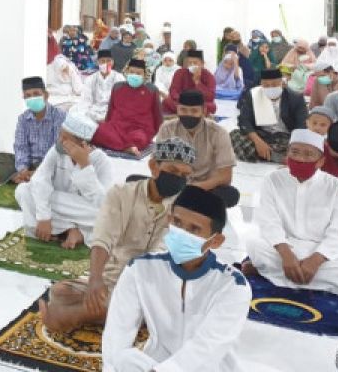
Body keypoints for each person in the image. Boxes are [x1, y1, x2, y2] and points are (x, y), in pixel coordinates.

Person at [38, 137, 196, 333]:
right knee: (60, 291)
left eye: (185, 175)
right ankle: (114, 312)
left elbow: (162, 257)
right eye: (173, 172)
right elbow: (103, 238)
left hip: (154, 285)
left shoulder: (186, 209)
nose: (178, 179)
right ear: (154, 166)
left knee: (149, 306)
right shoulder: (122, 194)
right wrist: (95, 279)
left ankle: (72, 316)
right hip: (114, 277)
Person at [102, 186, 250, 372]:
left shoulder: (232, 285)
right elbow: (118, 331)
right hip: (154, 364)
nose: (182, 232)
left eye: (194, 229)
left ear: (215, 241)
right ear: (169, 220)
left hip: (208, 368)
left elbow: (206, 348)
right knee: (125, 360)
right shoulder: (140, 269)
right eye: (178, 223)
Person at [246, 129, 338, 299]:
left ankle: (267, 270)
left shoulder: (337, 187)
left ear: (321, 161)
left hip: (320, 251)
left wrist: (315, 261)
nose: (300, 158)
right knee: (254, 244)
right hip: (284, 247)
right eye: (295, 152)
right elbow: (269, 222)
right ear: (287, 155)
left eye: (308, 154)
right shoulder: (273, 179)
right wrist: (286, 256)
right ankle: (295, 275)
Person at [15, 111, 113, 249]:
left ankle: (71, 232)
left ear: (83, 144)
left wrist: (85, 165)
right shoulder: (56, 151)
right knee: (23, 190)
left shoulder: (101, 161)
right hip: (59, 204)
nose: (60, 140)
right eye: (60, 134)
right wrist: (44, 217)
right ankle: (70, 230)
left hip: (83, 209)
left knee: (108, 216)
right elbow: (40, 180)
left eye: (65, 138)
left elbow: (102, 202)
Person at [155, 91, 238, 206]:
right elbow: (157, 166)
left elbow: (225, 177)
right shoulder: (167, 129)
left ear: (203, 111)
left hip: (206, 187)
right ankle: (193, 204)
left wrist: (193, 188)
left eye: (194, 111)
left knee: (230, 195)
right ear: (177, 109)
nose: (188, 114)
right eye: (183, 110)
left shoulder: (218, 133)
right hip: (175, 184)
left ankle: (183, 202)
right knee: (135, 180)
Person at [0, 76, 68, 185]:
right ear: (24, 98)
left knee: (63, 166)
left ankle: (23, 178)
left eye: (36, 94)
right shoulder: (23, 119)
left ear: (46, 95)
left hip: (51, 163)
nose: (32, 98)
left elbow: (58, 149)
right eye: (28, 96)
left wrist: (42, 169)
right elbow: (21, 147)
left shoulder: (59, 115)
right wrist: (23, 169)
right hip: (30, 164)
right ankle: (27, 176)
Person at [229, 68, 308, 163]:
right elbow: (244, 120)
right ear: (261, 85)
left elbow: (301, 126)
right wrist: (258, 142)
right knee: (234, 135)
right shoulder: (253, 95)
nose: (270, 88)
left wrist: (293, 146)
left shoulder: (295, 98)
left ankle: (263, 154)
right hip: (261, 134)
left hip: (285, 137)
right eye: (266, 85)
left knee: (303, 145)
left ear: (282, 83)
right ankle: (277, 157)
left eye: (274, 85)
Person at [92, 59, 161, 156]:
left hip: (140, 129)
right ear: (127, 71)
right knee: (96, 131)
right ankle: (127, 147)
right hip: (117, 126)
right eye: (132, 72)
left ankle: (122, 144)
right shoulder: (117, 87)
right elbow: (111, 110)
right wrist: (107, 126)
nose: (134, 75)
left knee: (140, 139)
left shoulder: (152, 90)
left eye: (138, 73)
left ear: (144, 75)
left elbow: (157, 114)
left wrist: (154, 133)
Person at [164, 49, 216, 116]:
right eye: (189, 63)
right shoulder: (180, 72)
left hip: (198, 103)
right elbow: (173, 91)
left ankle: (185, 112)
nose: (192, 65)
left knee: (212, 106)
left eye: (195, 63)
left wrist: (197, 82)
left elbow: (210, 96)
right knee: (167, 101)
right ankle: (192, 112)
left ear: (202, 64)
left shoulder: (208, 76)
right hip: (182, 102)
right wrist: (184, 99)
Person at [80, 49, 125, 122]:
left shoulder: (119, 77)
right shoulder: (90, 79)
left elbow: (122, 101)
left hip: (112, 112)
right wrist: (91, 115)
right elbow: (86, 100)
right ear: (97, 63)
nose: (106, 63)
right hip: (93, 111)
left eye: (108, 61)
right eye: (102, 61)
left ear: (112, 62)